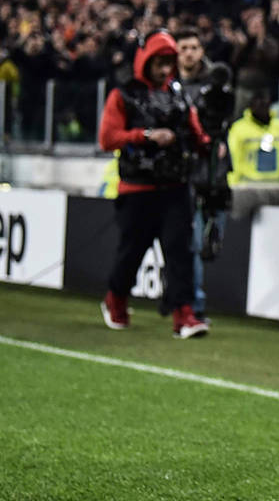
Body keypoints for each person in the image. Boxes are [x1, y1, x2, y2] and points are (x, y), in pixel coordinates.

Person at [97, 30, 210, 339]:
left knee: (179, 251)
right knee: (132, 252)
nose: (164, 70)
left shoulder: (178, 95)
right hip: (138, 189)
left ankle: (184, 314)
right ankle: (116, 297)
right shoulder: (124, 95)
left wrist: (207, 143)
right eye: (159, 63)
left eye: (168, 63)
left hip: (175, 186)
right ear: (145, 62)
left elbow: (195, 131)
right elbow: (107, 138)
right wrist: (146, 136)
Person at [175, 29, 235, 319]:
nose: (189, 53)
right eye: (183, 47)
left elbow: (226, 121)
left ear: (202, 52)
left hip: (214, 174)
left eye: (194, 47)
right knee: (193, 241)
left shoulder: (218, 86)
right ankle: (192, 305)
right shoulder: (167, 86)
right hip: (182, 174)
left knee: (211, 242)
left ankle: (189, 301)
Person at [227, 89, 279, 186]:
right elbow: (234, 158)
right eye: (259, 103)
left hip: (276, 186)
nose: (262, 107)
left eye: (265, 103)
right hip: (248, 187)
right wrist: (232, 185)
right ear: (251, 106)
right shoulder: (239, 128)